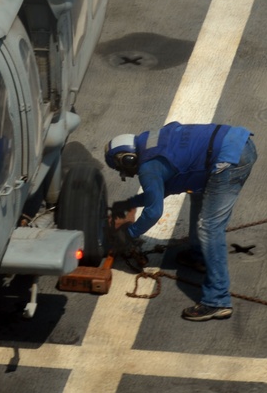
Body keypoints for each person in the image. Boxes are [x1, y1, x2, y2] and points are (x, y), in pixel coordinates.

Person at [105, 121, 256, 322]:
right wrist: (130, 203)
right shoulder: (152, 142)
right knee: (198, 195)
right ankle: (198, 256)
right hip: (237, 143)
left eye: (122, 168)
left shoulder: (148, 167)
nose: (128, 174)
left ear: (127, 159)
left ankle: (217, 301)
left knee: (210, 228)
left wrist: (129, 234)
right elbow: (164, 189)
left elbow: (153, 212)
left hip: (229, 160)